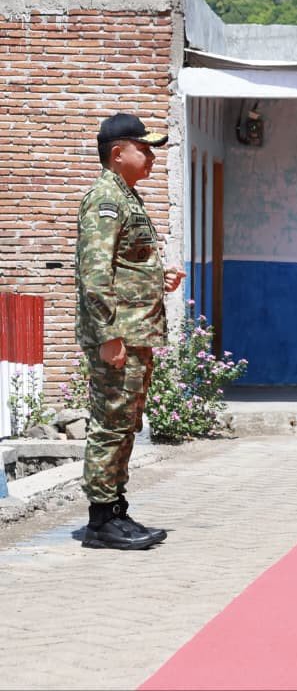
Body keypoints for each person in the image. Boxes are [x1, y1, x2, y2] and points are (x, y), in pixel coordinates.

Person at [76, 112, 185, 550]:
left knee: (126, 423)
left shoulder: (127, 197)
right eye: (145, 147)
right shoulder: (105, 199)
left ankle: (115, 509)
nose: (152, 156)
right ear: (118, 153)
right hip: (119, 335)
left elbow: (125, 266)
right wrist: (108, 335)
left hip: (135, 333)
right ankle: (101, 520)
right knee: (110, 424)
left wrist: (160, 279)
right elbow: (95, 274)